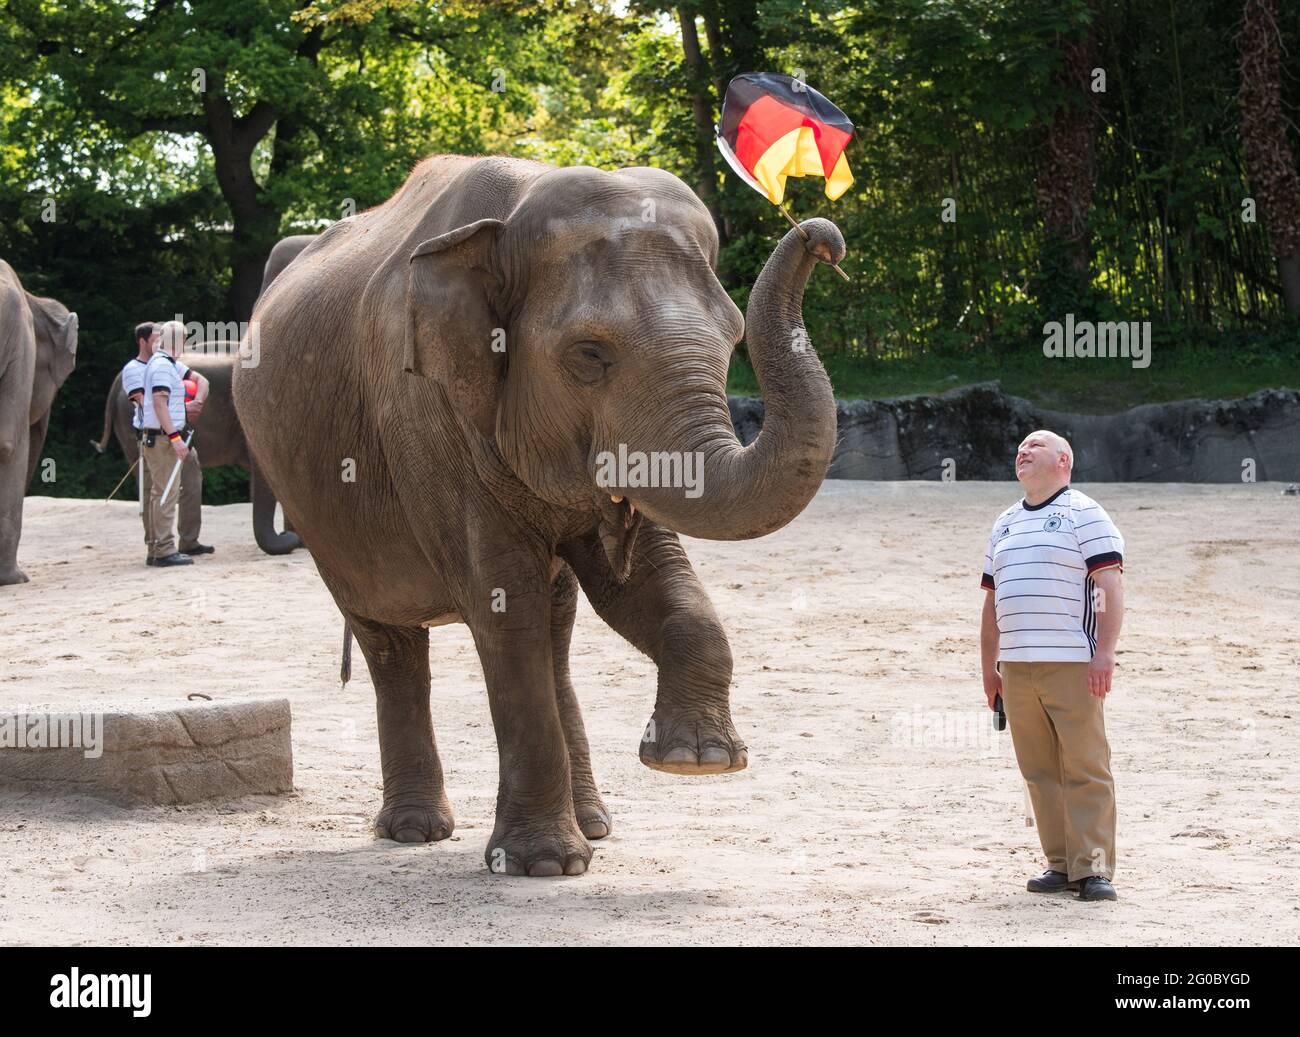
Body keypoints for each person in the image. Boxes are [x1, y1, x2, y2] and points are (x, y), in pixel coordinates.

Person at [979, 430, 1125, 902]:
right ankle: (1061, 864)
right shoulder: (1004, 522)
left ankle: (1095, 869)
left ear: (1063, 460)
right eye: (1019, 446)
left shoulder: (1085, 513)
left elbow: (1108, 584)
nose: (1022, 450)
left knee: (1085, 765)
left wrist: (1104, 652)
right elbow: (991, 601)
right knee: (1038, 770)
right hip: (1017, 668)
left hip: (1073, 662)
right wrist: (990, 668)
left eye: (1034, 446)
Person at [138, 320, 212, 567]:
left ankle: (157, 547)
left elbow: (201, 381)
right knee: (165, 494)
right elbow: (160, 403)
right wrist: (175, 437)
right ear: (178, 342)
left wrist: (196, 402)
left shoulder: (168, 364)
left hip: (161, 436)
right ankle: (164, 550)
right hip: (161, 438)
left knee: (161, 493)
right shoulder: (161, 366)